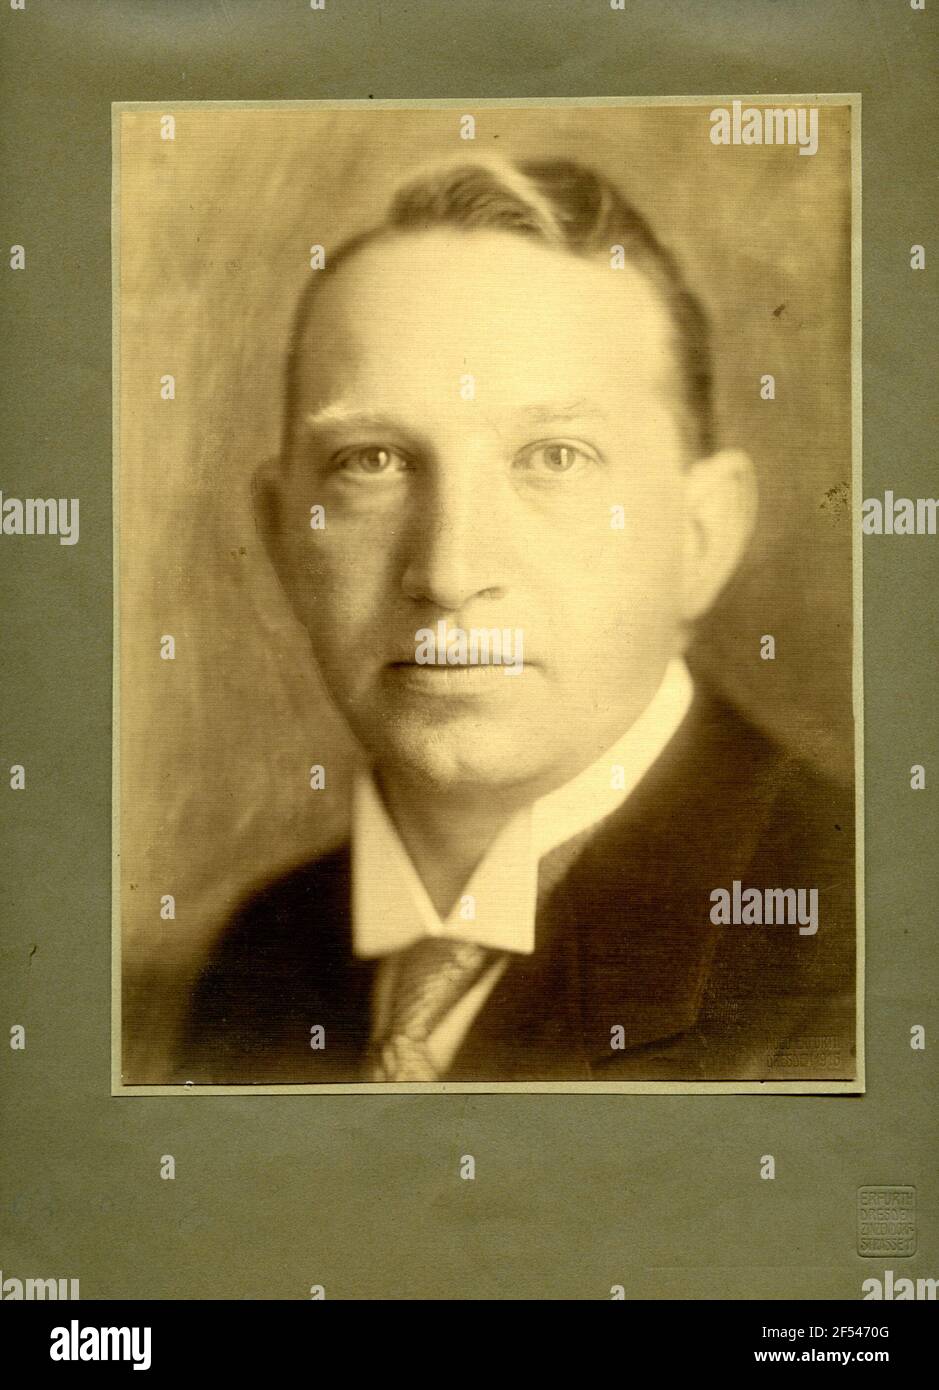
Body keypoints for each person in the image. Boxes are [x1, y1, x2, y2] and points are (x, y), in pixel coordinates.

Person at [175, 155, 855, 1085]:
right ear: (284, 534)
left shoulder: (863, 939)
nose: (449, 574)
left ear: (701, 535)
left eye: (555, 457)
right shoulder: (265, 953)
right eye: (372, 461)